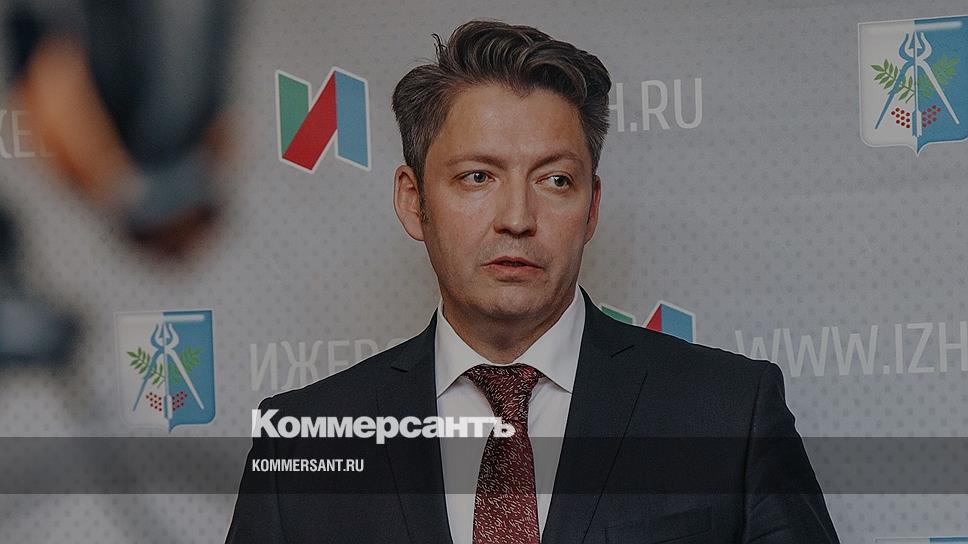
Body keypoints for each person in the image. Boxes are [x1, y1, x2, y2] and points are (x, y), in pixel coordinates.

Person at [226, 20, 839, 544]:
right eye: (477, 177)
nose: (517, 218)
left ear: (592, 208)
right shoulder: (302, 442)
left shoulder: (729, 415)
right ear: (413, 201)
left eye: (555, 180)